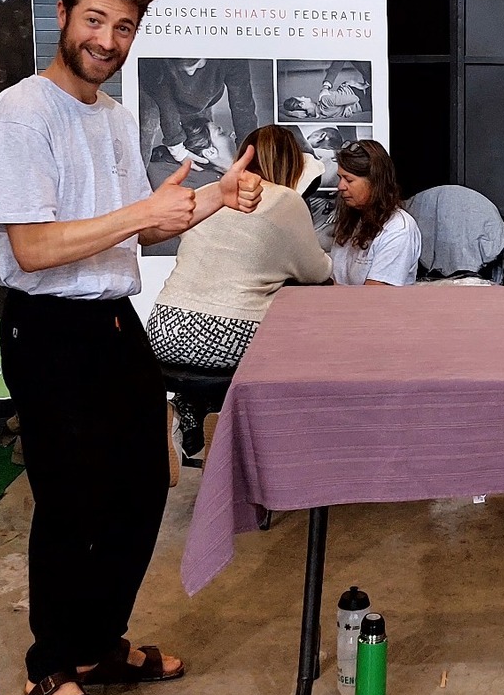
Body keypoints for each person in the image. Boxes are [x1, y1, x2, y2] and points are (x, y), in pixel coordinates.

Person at [0, 0, 263, 695]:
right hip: (48, 328)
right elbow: (32, 248)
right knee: (71, 503)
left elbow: (131, 224)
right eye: (96, 20)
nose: (108, 39)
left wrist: (215, 198)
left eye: (125, 26)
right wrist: (143, 217)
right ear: (63, 15)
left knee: (142, 486)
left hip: (110, 322)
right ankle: (50, 668)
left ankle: (100, 645)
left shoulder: (111, 118)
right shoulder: (23, 112)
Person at [150, 124, 332, 458]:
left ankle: (180, 417)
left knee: (212, 355)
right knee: (288, 343)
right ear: (294, 164)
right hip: (226, 335)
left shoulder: (213, 191)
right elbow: (316, 271)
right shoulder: (286, 200)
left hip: (163, 327)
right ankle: (237, 433)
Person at [330, 138, 421, 286]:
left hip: (374, 308)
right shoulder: (353, 220)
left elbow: (374, 298)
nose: (341, 186)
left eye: (349, 180)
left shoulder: (399, 229)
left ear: (374, 182)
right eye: (340, 178)